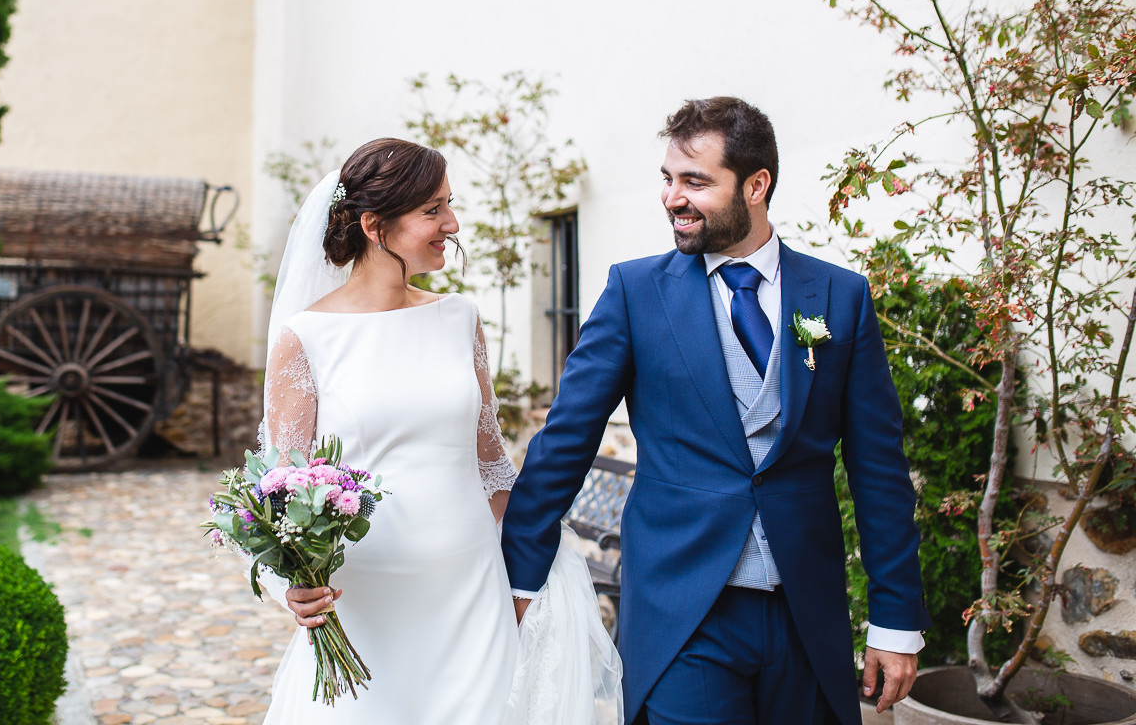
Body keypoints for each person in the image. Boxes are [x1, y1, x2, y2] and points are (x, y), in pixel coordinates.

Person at [501, 98, 930, 725]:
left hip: (805, 616)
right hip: (683, 614)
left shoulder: (840, 296)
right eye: (668, 180)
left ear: (756, 186)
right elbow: (565, 441)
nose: (674, 197)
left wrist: (896, 621)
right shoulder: (634, 291)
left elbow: (879, 470)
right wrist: (521, 578)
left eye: (695, 181)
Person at [259, 137, 620, 725]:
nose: (451, 224)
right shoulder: (305, 339)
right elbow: (285, 492)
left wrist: (533, 570)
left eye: (448, 205)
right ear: (376, 225)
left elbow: (490, 464)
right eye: (433, 210)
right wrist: (296, 582)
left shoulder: (459, 318)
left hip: (471, 587)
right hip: (367, 605)